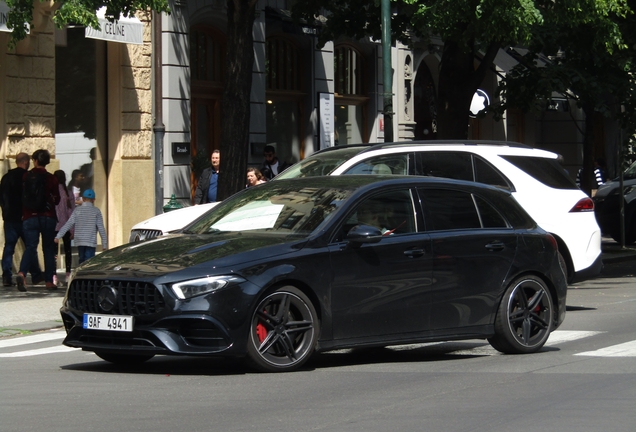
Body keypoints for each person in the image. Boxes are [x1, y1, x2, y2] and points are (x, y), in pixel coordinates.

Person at [16, 149, 60, 292]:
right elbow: (57, 199)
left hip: (30, 216)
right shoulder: (52, 178)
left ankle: (22, 273)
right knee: (48, 248)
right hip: (48, 217)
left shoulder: (26, 176)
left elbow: (21, 196)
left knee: (30, 246)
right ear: (46, 162)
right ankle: (49, 281)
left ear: (34, 161)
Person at [0, 152, 43, 287]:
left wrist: (5, 212)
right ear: (25, 162)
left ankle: (7, 275)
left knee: (9, 247)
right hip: (24, 217)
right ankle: (35, 274)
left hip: (9, 218)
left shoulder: (6, 178)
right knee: (30, 246)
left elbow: (2, 197)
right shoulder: (27, 177)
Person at [54, 189, 107, 265]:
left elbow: (68, 224)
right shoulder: (96, 211)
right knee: (89, 263)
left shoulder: (77, 210)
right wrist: (104, 244)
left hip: (80, 240)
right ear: (94, 200)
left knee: (81, 260)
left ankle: (81, 275)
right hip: (90, 241)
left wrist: (58, 236)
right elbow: (101, 228)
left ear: (83, 199)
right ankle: (87, 276)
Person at [53, 170, 75, 282]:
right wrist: (72, 230)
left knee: (53, 252)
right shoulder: (69, 193)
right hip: (66, 225)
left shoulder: (52, 193)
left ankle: (54, 275)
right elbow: (71, 213)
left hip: (54, 225)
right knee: (68, 251)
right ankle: (68, 273)